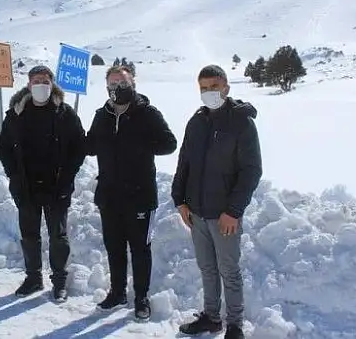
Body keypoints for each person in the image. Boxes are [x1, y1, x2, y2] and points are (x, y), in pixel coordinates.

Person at [172, 65, 262, 339]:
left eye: (214, 86)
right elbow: (184, 162)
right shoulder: (197, 122)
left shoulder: (241, 122)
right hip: (197, 211)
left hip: (225, 215)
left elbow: (251, 170)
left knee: (229, 270)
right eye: (204, 88)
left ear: (226, 87)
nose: (209, 92)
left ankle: (234, 324)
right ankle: (211, 317)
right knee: (207, 268)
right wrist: (180, 200)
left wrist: (233, 211)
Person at [86, 65, 177, 321]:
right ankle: (117, 292)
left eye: (122, 83)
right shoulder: (101, 115)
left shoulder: (147, 113)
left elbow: (169, 143)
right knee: (114, 247)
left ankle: (141, 298)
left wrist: (141, 143)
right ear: (106, 87)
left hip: (140, 196)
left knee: (140, 249)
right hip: (109, 195)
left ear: (133, 83)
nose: (117, 88)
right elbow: (91, 144)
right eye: (113, 84)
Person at [0, 65, 86, 302]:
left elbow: (79, 146)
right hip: (26, 186)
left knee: (58, 236)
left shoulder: (65, 113)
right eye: (36, 81)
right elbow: (4, 147)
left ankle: (59, 282)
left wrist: (67, 175)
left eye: (45, 81)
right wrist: (13, 175)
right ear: (28, 85)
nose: (40, 85)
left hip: (57, 185)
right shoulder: (15, 114)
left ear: (52, 84)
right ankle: (33, 277)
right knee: (29, 234)